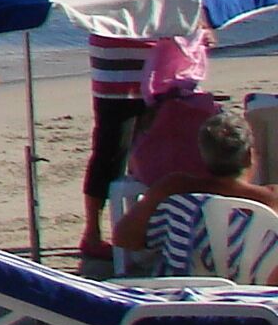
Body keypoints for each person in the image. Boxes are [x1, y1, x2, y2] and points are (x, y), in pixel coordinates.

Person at [79, 26, 211, 267]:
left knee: (153, 147)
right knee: (112, 150)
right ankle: (93, 233)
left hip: (161, 61)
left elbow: (180, 10)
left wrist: (198, 30)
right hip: (120, 57)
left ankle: (141, 226)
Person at [110, 107, 278, 257]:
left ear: (204, 155)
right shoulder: (271, 199)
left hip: (186, 279)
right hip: (250, 281)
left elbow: (123, 238)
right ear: (248, 156)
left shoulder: (173, 187)